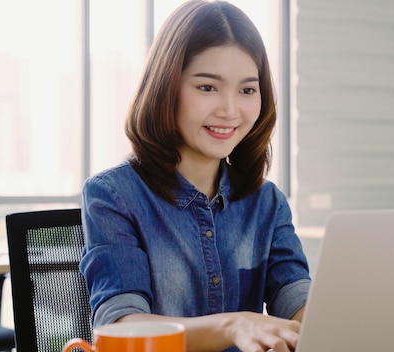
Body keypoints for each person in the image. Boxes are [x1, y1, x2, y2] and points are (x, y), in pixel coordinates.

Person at [79, 1, 311, 351]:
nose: (230, 110)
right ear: (165, 87)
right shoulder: (114, 195)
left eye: (247, 89)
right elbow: (122, 326)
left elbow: (296, 300)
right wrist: (234, 325)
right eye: (207, 87)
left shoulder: (267, 203)